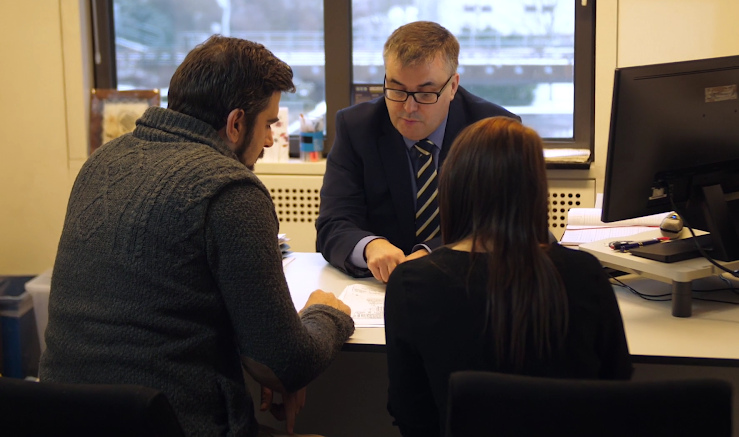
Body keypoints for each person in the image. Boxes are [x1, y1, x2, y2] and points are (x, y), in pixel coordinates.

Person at [39, 35, 355, 437]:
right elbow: (287, 363)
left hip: (56, 419)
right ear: (236, 123)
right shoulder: (230, 189)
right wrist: (326, 313)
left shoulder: (102, 161)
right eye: (269, 123)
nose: (270, 139)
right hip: (170, 424)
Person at [384, 117, 633, 436]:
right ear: (535, 190)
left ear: (452, 186)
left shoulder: (412, 283)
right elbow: (616, 388)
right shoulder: (585, 273)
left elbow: (410, 413)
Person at [316, 21, 519, 281]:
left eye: (425, 94)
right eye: (397, 90)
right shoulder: (357, 128)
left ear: (453, 87)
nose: (408, 108)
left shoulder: (493, 130)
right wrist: (370, 246)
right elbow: (333, 222)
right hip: (381, 287)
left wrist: (431, 254)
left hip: (468, 282)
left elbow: (504, 225)